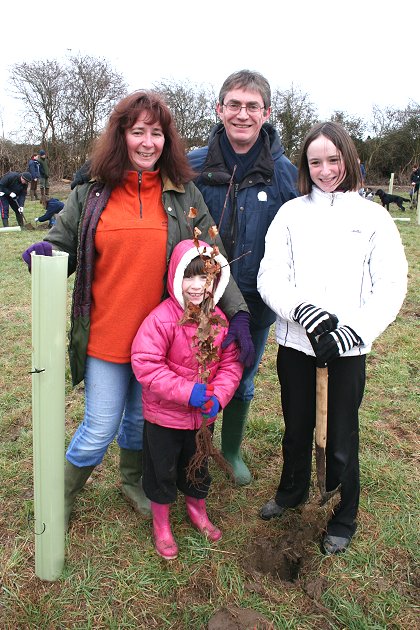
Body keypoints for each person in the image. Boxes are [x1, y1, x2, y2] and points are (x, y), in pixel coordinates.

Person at [22, 90, 252, 530]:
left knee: (136, 423)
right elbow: (60, 245)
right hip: (107, 338)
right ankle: (60, 494)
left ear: (168, 140)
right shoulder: (92, 193)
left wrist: (237, 312)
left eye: (157, 133)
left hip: (166, 343)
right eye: (138, 132)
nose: (148, 142)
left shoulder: (184, 197)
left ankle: (132, 481)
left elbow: (213, 258)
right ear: (121, 135)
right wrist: (44, 254)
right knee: (99, 427)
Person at [257, 121, 408, 555]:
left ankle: (343, 514)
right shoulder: (291, 214)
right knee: (296, 425)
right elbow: (271, 276)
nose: (325, 170)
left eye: (334, 160)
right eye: (316, 161)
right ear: (306, 165)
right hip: (297, 344)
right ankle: (292, 491)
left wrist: (349, 334)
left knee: (341, 434)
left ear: (349, 159)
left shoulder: (373, 217)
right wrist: (300, 311)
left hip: (346, 350)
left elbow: (391, 286)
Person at [188, 69, 299, 485]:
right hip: (200, 295)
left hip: (256, 300)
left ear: (266, 113)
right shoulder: (193, 165)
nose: (242, 113)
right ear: (220, 109)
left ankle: (230, 450)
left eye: (252, 106)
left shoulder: (286, 173)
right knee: (196, 373)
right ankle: (194, 449)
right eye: (234, 104)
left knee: (242, 376)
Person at [131, 239, 243, 559]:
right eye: (189, 277)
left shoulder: (220, 320)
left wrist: (218, 397)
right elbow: (146, 364)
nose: (197, 286)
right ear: (175, 277)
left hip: (203, 419)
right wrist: (186, 392)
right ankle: (162, 523)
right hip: (164, 418)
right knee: (161, 470)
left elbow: (231, 364)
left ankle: (197, 509)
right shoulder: (161, 319)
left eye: (205, 278)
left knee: (198, 466)